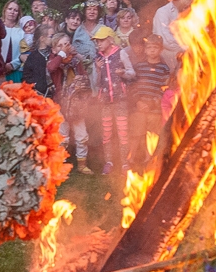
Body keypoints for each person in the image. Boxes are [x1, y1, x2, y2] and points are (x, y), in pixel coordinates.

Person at [92, 25, 135, 174]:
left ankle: (125, 163)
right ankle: (109, 162)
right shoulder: (97, 58)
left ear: (110, 40)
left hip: (120, 100)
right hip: (105, 101)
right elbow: (96, 83)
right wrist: (97, 70)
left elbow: (132, 73)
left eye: (101, 41)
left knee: (123, 132)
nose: (98, 44)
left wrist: (123, 73)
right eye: (97, 41)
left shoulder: (121, 54)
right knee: (107, 133)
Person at [47, 33, 93, 175]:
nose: (64, 48)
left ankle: (82, 164)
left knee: (82, 134)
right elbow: (51, 68)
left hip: (76, 104)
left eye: (66, 44)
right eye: (60, 45)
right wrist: (61, 54)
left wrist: (76, 55)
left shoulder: (75, 61)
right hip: (60, 104)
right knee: (62, 137)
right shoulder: (54, 60)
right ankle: (61, 165)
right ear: (54, 50)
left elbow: (84, 75)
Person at [130, 34, 172, 167]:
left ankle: (149, 158)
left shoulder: (164, 69)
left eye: (155, 48)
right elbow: (133, 86)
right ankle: (130, 157)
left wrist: (154, 101)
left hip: (155, 107)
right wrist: (138, 102)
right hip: (140, 105)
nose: (152, 50)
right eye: (149, 47)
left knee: (152, 133)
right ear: (145, 49)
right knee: (136, 133)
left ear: (160, 50)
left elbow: (165, 88)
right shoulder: (139, 66)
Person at [153, 0, 196, 70]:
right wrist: (186, 48)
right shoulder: (163, 12)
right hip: (167, 59)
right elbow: (165, 40)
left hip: (189, 57)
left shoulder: (192, 11)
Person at [21, 25, 53, 97]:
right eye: (51, 36)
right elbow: (26, 76)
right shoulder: (33, 57)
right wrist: (35, 86)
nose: (53, 38)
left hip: (55, 93)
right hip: (40, 95)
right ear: (42, 38)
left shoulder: (54, 53)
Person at [1, 0, 24, 83]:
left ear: (18, 13)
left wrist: (12, 65)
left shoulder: (22, 31)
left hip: (16, 70)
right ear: (5, 10)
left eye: (15, 10)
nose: (12, 12)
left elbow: (25, 52)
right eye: (10, 9)